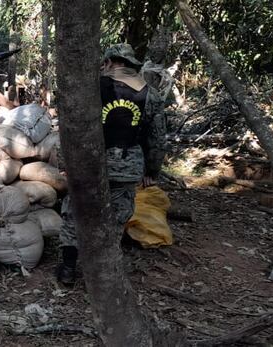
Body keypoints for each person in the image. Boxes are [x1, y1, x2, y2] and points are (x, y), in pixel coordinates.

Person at [56, 43, 167, 286]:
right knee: (115, 219)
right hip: (127, 167)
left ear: (108, 62)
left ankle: (67, 268)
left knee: (76, 213)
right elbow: (157, 138)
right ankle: (101, 275)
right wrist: (152, 171)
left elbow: (69, 128)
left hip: (88, 165)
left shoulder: (90, 88)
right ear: (132, 66)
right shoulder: (150, 94)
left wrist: (66, 162)